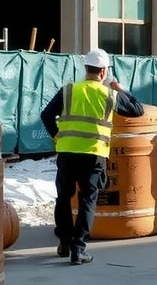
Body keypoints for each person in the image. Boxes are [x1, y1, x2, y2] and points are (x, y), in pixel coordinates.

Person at [40, 48, 145, 264]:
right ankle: (78, 249)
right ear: (104, 72)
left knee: (63, 197)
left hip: (67, 152)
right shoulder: (109, 95)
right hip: (93, 155)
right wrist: (122, 90)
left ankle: (64, 243)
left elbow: (46, 114)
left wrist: (58, 136)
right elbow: (137, 110)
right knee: (87, 199)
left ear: (86, 68)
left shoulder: (69, 90)